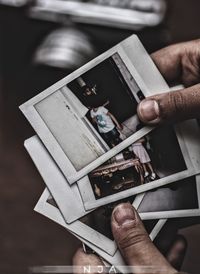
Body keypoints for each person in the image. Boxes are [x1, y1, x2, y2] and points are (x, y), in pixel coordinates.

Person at [73, 39, 200, 274]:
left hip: (123, 137)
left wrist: (120, 131)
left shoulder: (111, 115)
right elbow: (100, 122)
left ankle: (149, 173)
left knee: (142, 157)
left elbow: (111, 120)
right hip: (113, 138)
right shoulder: (93, 112)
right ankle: (144, 171)